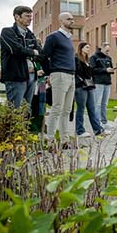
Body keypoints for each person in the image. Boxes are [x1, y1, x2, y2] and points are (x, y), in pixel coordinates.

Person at [0, 6, 43, 109]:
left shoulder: (30, 35)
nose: (30, 19)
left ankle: (25, 126)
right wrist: (32, 52)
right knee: (15, 109)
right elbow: (15, 50)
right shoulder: (7, 32)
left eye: (31, 16)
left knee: (27, 109)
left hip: (32, 76)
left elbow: (40, 54)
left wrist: (34, 53)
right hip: (16, 76)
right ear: (17, 17)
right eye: (27, 16)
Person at [43, 12, 77, 141]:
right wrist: (49, 73)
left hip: (71, 75)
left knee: (67, 110)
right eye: (69, 19)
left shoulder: (68, 38)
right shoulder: (54, 37)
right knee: (57, 108)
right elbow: (44, 56)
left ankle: (65, 140)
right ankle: (50, 139)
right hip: (59, 74)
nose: (72, 21)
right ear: (61, 21)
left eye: (72, 19)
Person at [74, 42, 105, 137]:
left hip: (89, 86)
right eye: (87, 47)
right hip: (80, 86)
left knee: (92, 108)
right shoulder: (76, 59)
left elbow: (90, 73)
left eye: (89, 47)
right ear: (81, 48)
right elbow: (77, 72)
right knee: (81, 108)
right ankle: (80, 130)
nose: (88, 49)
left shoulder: (88, 60)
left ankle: (98, 130)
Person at [89, 42, 115, 127]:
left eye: (109, 51)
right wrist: (105, 70)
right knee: (98, 103)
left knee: (105, 103)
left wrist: (111, 70)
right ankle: (97, 121)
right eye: (106, 50)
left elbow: (110, 68)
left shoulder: (109, 58)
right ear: (102, 48)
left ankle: (104, 121)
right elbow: (92, 70)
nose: (108, 52)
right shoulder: (94, 57)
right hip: (98, 82)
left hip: (107, 82)